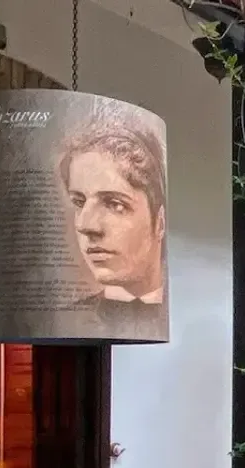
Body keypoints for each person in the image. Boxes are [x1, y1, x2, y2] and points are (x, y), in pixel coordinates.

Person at [59, 122, 167, 340]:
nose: (85, 225)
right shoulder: (65, 321)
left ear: (160, 223)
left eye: (115, 204)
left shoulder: (184, 310)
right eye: (79, 202)